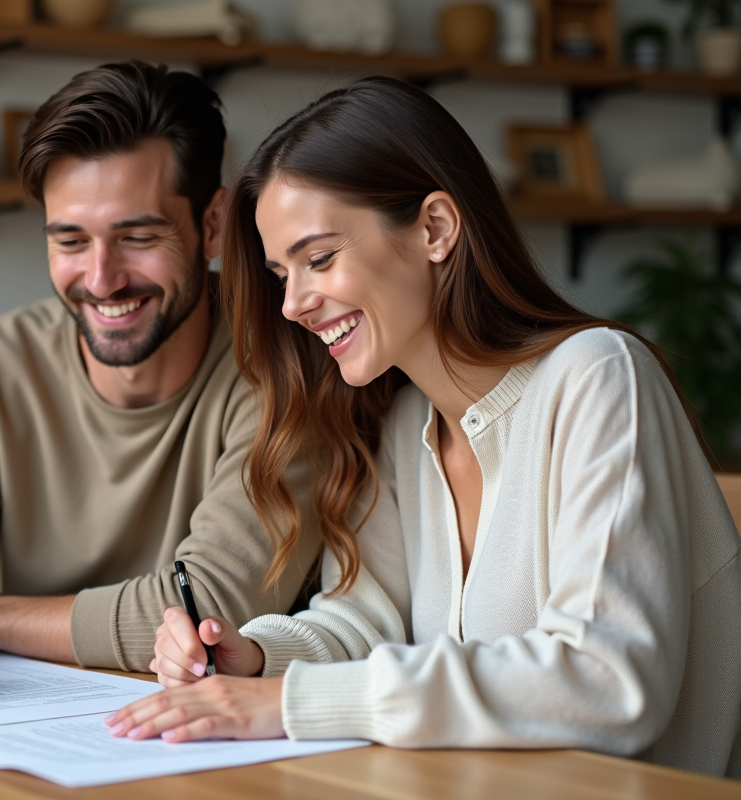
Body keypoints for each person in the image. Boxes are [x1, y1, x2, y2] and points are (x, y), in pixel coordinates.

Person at [107, 77, 741, 779]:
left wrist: (289, 700)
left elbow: (606, 680)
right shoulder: (404, 420)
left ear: (436, 228)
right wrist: (251, 658)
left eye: (319, 259)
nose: (291, 304)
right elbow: (365, 622)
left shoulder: (596, 377)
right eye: (281, 273)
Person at [0, 62, 322, 699]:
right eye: (70, 240)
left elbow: (210, 613)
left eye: (138, 236)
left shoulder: (287, 362)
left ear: (211, 225)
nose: (101, 279)